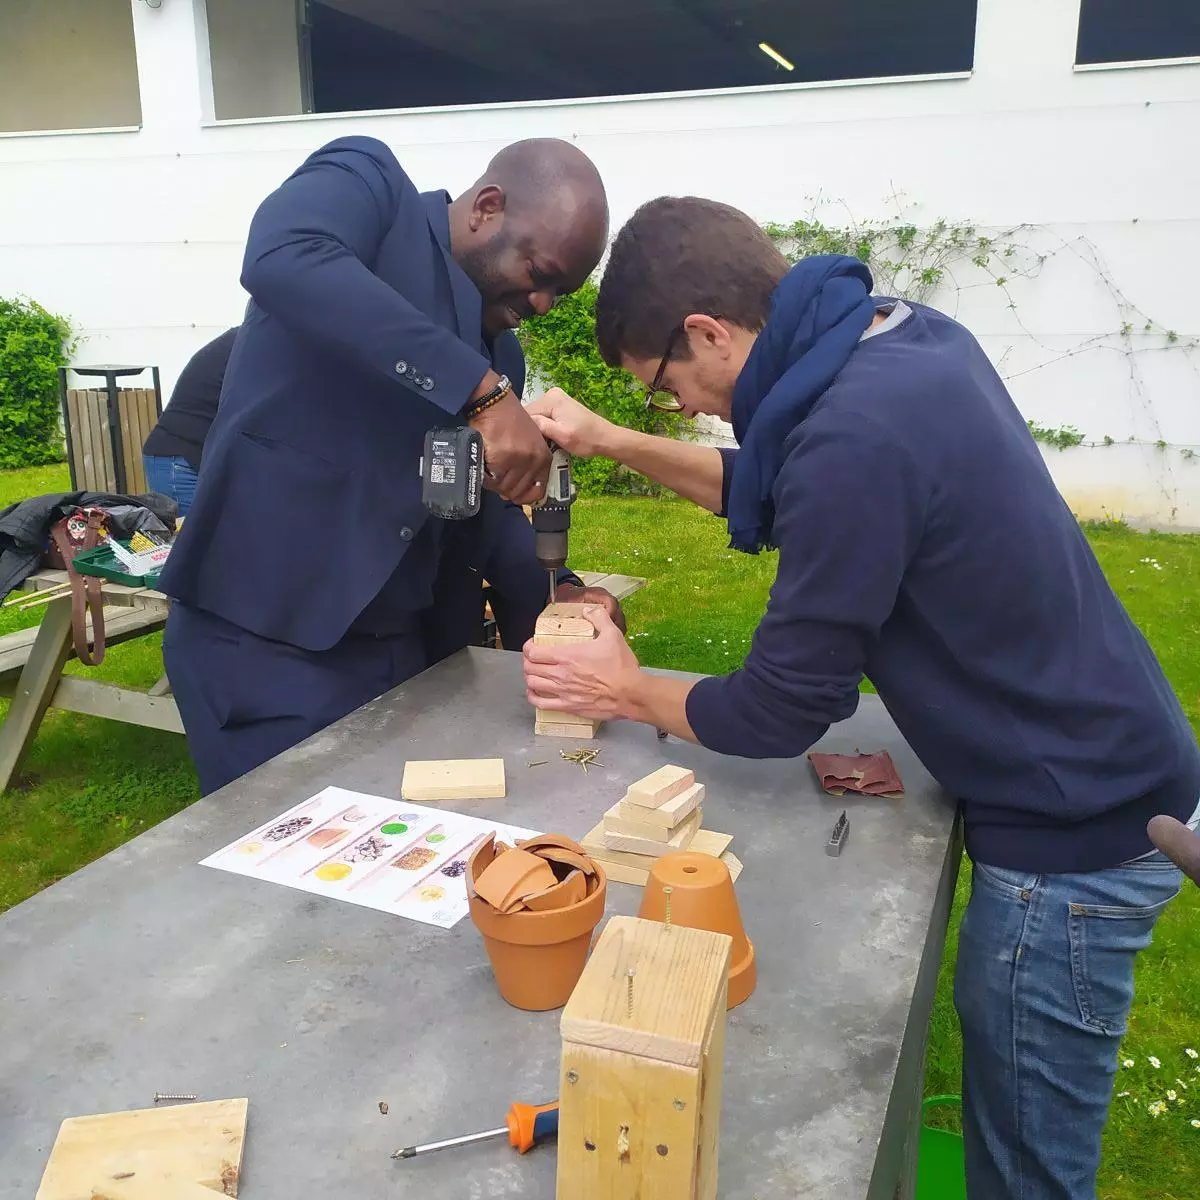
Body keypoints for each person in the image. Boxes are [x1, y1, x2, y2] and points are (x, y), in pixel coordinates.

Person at [522, 196, 1200, 1200]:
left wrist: (624, 690)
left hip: (1079, 832)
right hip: (1112, 755)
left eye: (668, 387)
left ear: (708, 332)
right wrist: (611, 438)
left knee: (1027, 1169)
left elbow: (783, 707)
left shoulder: (854, 435)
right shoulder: (900, 339)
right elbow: (773, 485)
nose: (688, 409)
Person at [158, 135, 618, 796]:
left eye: (561, 293)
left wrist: (559, 595)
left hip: (404, 652)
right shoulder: (367, 186)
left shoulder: (500, 357)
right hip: (265, 647)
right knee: (295, 885)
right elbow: (283, 256)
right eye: (539, 272)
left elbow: (469, 509)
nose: (543, 303)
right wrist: (481, 394)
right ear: (487, 207)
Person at [141, 326, 237, 515]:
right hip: (179, 461)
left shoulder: (249, 340)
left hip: (198, 457)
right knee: (196, 540)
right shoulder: (248, 346)